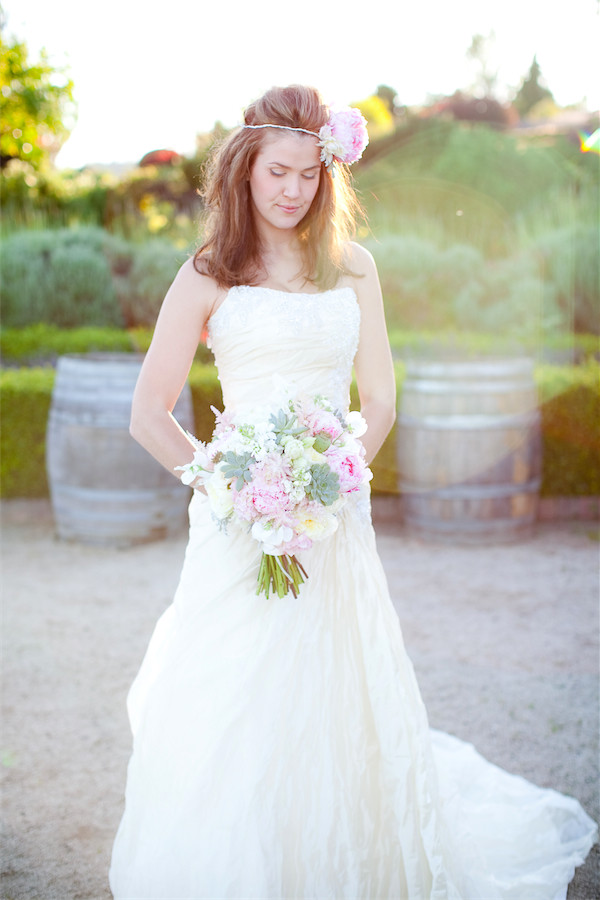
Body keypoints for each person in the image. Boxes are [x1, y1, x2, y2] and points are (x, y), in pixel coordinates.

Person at [109, 84, 596, 899]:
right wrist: (229, 492)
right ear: (245, 171)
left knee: (340, 691)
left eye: (309, 172)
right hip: (237, 531)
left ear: (329, 172)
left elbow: (382, 400)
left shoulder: (355, 267)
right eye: (277, 172)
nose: (294, 190)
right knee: (236, 695)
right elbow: (146, 415)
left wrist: (329, 487)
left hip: (335, 521)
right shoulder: (206, 275)